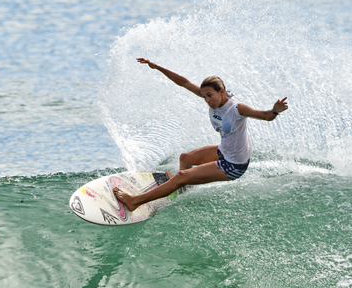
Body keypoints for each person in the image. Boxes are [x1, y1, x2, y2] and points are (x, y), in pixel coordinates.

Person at [113, 58, 289, 211]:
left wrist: (274, 111)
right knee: (185, 158)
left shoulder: (237, 109)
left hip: (234, 165)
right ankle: (181, 187)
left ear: (222, 91)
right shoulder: (212, 98)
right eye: (204, 96)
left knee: (181, 176)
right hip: (225, 150)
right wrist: (157, 67)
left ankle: (135, 201)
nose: (207, 100)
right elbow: (183, 82)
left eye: (210, 95)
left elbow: (265, 116)